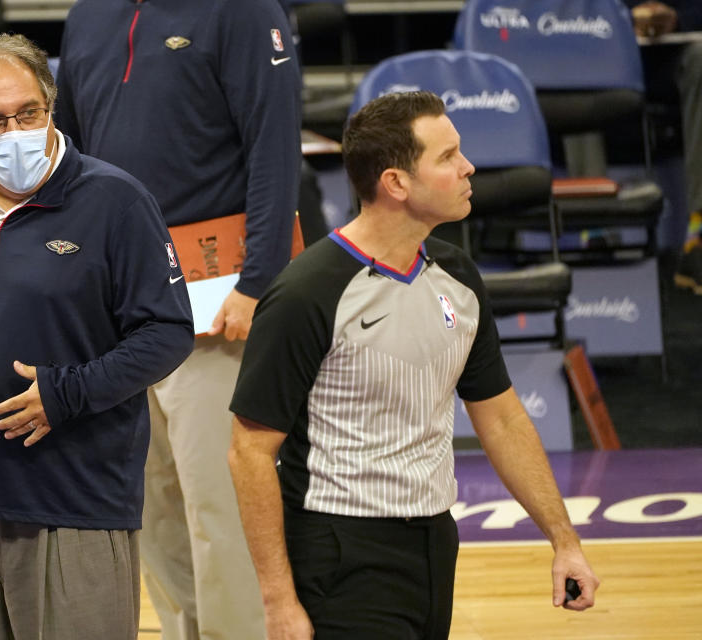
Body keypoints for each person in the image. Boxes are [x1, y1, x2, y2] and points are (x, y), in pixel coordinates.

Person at [227, 91, 600, 639]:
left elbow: (502, 419)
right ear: (396, 183)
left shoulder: (459, 277)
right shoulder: (307, 293)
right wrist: (278, 600)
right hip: (339, 554)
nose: (469, 166)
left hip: (434, 543)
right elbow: (249, 452)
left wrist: (564, 541)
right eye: (447, 157)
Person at [0, 34, 194, 640]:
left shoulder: (115, 200)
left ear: (52, 107)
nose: (13, 130)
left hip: (76, 503)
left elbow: (167, 331)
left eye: (28, 113)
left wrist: (66, 393)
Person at [54, 1, 302, 638]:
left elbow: (274, 151)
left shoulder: (242, 10)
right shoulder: (88, 16)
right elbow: (70, 162)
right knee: (152, 512)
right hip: (120, 302)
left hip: (221, 301)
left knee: (223, 506)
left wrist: (259, 284)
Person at [625, 0, 702, 293]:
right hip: (607, 52)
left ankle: (698, 238)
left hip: (676, 57)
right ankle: (595, 233)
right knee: (575, 61)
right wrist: (623, 19)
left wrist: (677, 18)